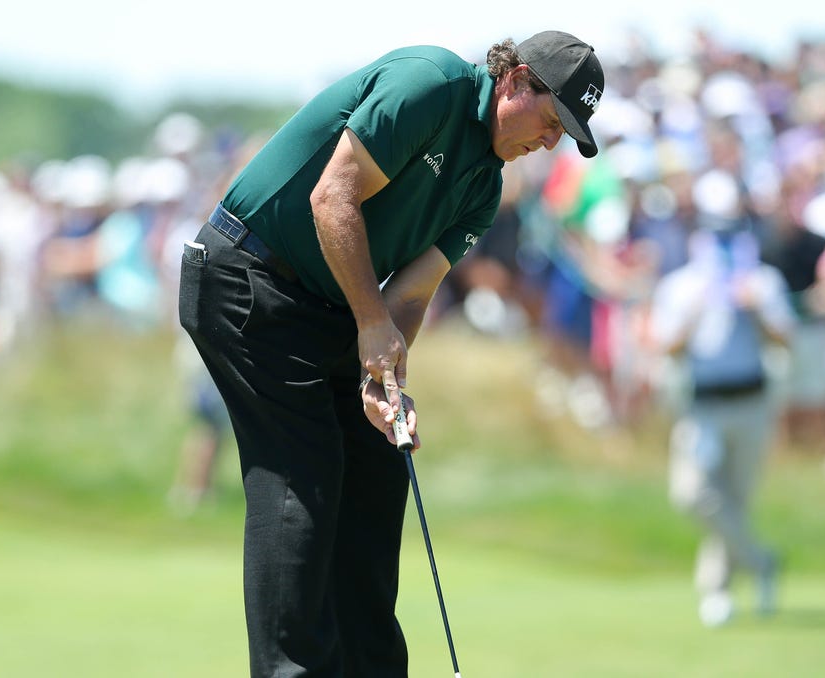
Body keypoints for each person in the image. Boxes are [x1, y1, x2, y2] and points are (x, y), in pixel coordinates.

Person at [178, 31, 603, 676]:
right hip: (246, 279)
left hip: (325, 307)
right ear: (515, 80)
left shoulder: (482, 190)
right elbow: (332, 198)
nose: (549, 143)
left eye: (563, 134)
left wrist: (385, 373)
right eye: (550, 122)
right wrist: (371, 324)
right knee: (302, 478)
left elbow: (410, 293)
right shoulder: (430, 85)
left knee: (376, 476)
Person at [649, 169, 794, 628]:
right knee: (693, 494)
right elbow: (664, 345)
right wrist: (697, 311)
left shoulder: (762, 282)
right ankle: (761, 561)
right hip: (703, 404)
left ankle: (718, 590)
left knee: (736, 498)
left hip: (750, 402)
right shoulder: (683, 286)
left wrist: (754, 308)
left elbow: (786, 340)